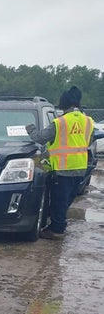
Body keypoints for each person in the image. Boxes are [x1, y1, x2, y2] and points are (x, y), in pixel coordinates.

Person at [26, 86, 95, 240]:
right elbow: (88, 141)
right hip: (80, 167)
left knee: (59, 200)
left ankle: (57, 230)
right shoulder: (88, 121)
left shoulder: (60, 122)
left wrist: (30, 129)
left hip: (62, 168)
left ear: (63, 104)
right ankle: (56, 225)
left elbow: (40, 138)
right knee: (66, 199)